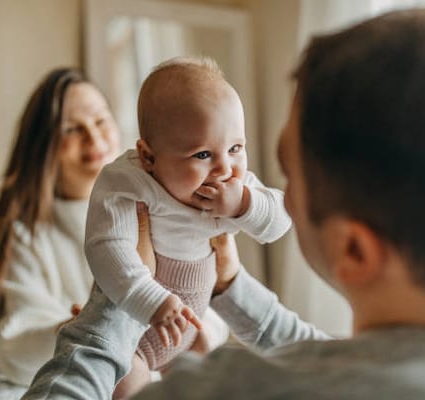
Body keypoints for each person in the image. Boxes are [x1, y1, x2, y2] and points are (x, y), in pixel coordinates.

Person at [22, 7, 425, 399]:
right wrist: (231, 286)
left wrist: (113, 309)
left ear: (354, 249)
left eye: (290, 177)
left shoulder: (226, 388)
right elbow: (321, 353)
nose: (235, 180)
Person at [0, 67, 229, 387]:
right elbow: (13, 352)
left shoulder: (163, 209)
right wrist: (83, 326)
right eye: (73, 129)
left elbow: (215, 308)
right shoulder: (28, 236)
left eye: (101, 121)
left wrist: (196, 330)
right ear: (44, 147)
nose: (94, 138)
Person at [84, 57, 291, 397]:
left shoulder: (236, 189)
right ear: (149, 158)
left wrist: (244, 205)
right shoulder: (129, 182)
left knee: (211, 385)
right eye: (202, 155)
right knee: (129, 387)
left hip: (190, 333)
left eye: (236, 148)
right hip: (135, 334)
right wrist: (152, 302)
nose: (225, 168)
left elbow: (279, 222)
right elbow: (107, 248)